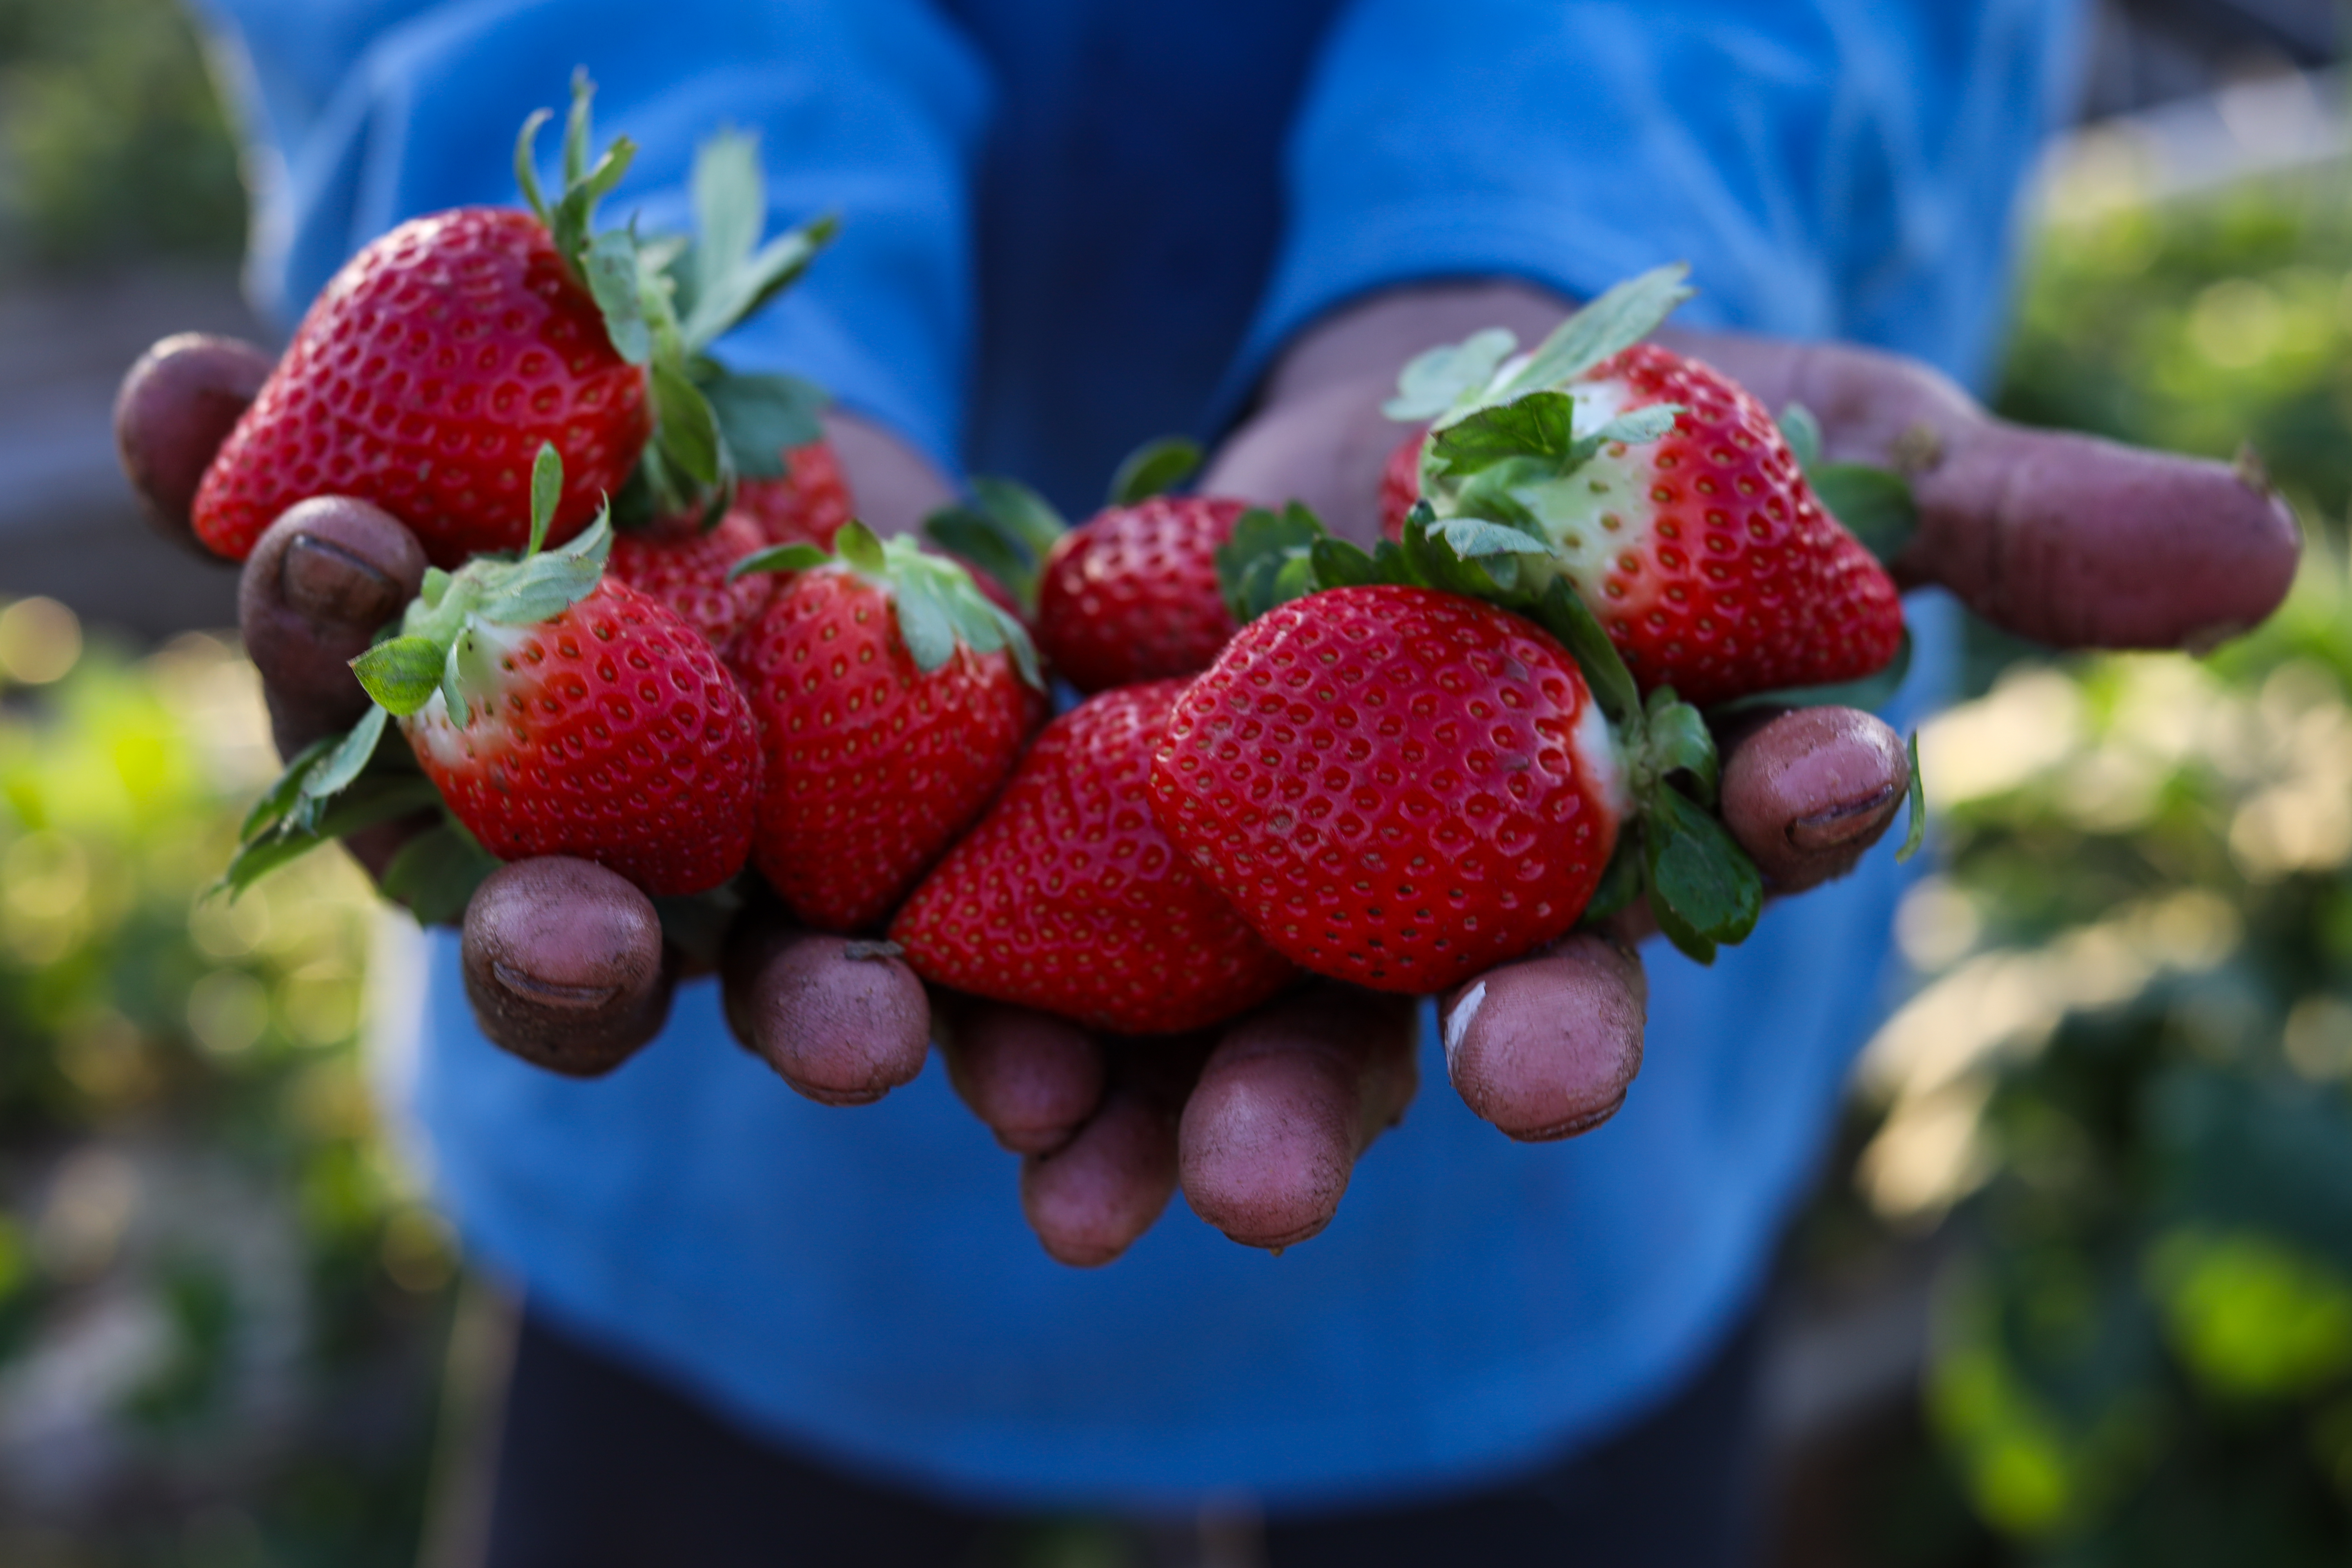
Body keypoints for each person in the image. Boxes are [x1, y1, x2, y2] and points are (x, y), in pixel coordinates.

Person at [119, 1, 2298, 1561]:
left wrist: (1533, 250)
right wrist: (703, 320)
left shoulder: (1498, 694)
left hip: (1523, 1128)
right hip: (732, 1079)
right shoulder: (710, 629)